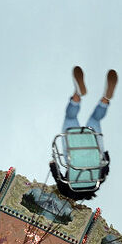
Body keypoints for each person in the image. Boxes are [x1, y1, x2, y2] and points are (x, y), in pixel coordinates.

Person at [50, 66, 118, 200]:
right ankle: (77, 96)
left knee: (95, 119)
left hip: (94, 147)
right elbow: (58, 178)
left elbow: (106, 167)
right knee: (70, 118)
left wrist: (105, 156)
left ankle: (105, 99)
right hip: (72, 151)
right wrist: (53, 165)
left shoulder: (96, 183)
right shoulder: (68, 189)